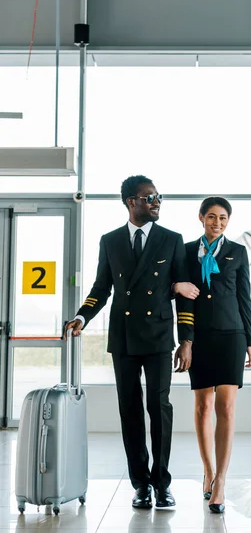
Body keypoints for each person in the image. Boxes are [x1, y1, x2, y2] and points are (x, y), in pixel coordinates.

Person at [65, 175, 199, 510]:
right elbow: (101, 289)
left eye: (158, 197)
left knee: (160, 409)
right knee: (130, 412)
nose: (156, 203)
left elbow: (183, 292)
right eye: (150, 197)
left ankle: (162, 482)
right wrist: (82, 317)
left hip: (158, 337)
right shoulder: (110, 241)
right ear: (131, 202)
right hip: (123, 339)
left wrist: (186, 340)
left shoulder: (171, 240)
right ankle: (140, 485)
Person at [181, 196, 251, 514]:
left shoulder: (237, 252)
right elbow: (182, 298)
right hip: (200, 338)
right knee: (203, 408)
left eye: (223, 218)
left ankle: (221, 482)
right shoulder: (185, 252)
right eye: (211, 217)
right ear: (201, 218)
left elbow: (245, 299)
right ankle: (208, 471)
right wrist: (185, 339)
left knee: (225, 406)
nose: (217, 222)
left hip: (232, 335)